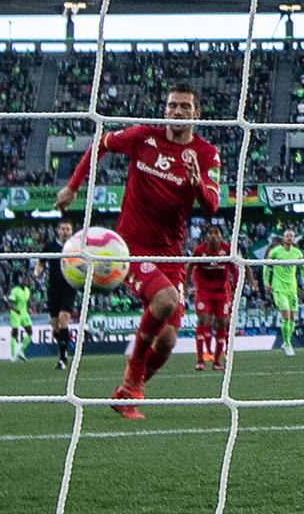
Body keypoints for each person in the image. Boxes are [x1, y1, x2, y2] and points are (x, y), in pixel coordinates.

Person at [55, 85, 221, 419]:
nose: (177, 111)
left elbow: (212, 205)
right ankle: (131, 381)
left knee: (169, 341)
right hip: (128, 247)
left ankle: (126, 393)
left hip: (171, 253)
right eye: (172, 105)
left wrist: (195, 183)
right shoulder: (143, 136)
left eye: (184, 107)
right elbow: (99, 144)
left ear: (196, 114)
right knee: (165, 301)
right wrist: (73, 187)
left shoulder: (206, 154)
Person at [187, 221, 236, 373]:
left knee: (222, 323)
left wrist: (235, 285)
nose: (213, 236)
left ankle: (216, 361)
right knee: (204, 321)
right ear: (206, 236)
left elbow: (235, 268)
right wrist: (188, 284)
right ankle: (200, 359)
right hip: (204, 292)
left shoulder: (228, 249)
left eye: (216, 233)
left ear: (221, 235)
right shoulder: (200, 250)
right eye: (210, 233)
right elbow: (190, 266)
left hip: (222, 293)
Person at [33, 218, 78, 372]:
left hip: (69, 287)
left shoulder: (77, 247)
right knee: (55, 328)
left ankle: (63, 356)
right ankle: (66, 344)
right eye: (63, 229)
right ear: (58, 231)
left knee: (63, 320)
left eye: (68, 229)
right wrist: (37, 272)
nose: (65, 232)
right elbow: (41, 262)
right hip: (53, 289)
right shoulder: (50, 246)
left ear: (72, 231)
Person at [263, 227, 304, 358]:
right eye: (287, 236)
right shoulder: (275, 252)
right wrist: (266, 282)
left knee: (292, 318)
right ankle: (288, 343)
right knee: (285, 315)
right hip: (278, 288)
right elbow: (266, 267)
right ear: (283, 238)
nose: (289, 238)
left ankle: (285, 342)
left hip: (292, 289)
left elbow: (303, 269)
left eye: (291, 236)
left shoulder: (297, 253)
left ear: (294, 239)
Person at [7, 272, 33, 362]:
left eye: (27, 279)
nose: (26, 281)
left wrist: (29, 309)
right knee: (15, 333)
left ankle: (21, 352)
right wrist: (15, 309)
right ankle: (12, 355)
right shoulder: (15, 290)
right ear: (20, 281)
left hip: (24, 313)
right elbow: (10, 303)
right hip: (15, 313)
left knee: (30, 332)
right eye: (24, 279)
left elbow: (26, 302)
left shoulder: (27, 290)